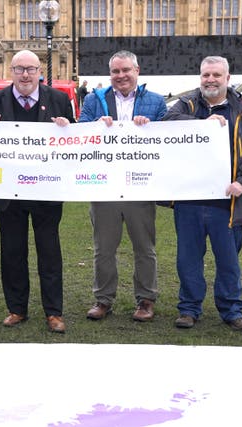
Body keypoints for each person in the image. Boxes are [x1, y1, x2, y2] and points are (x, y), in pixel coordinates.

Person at [162, 56, 242, 332]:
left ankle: (232, 310)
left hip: (228, 201)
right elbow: (166, 123)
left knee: (229, 261)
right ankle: (188, 309)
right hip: (189, 200)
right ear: (200, 77)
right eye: (205, 75)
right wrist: (201, 123)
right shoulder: (186, 105)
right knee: (188, 259)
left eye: (216, 75)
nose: (210, 80)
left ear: (227, 78)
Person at [0, 49, 75, 333]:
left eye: (31, 69)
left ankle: (53, 312)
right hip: (9, 194)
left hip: (46, 191)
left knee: (49, 253)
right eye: (20, 69)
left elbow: (74, 142)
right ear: (11, 71)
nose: (25, 74)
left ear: (39, 72)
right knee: (12, 252)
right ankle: (16, 308)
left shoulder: (58, 100)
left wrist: (67, 129)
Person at [79, 50, 166, 321]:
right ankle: (103, 299)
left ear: (137, 71)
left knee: (144, 247)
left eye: (126, 70)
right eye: (115, 71)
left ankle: (146, 299)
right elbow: (80, 133)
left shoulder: (155, 101)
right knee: (103, 248)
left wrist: (150, 126)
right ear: (110, 75)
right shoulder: (94, 100)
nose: (121, 76)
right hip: (104, 185)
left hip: (140, 186)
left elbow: (168, 140)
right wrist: (95, 126)